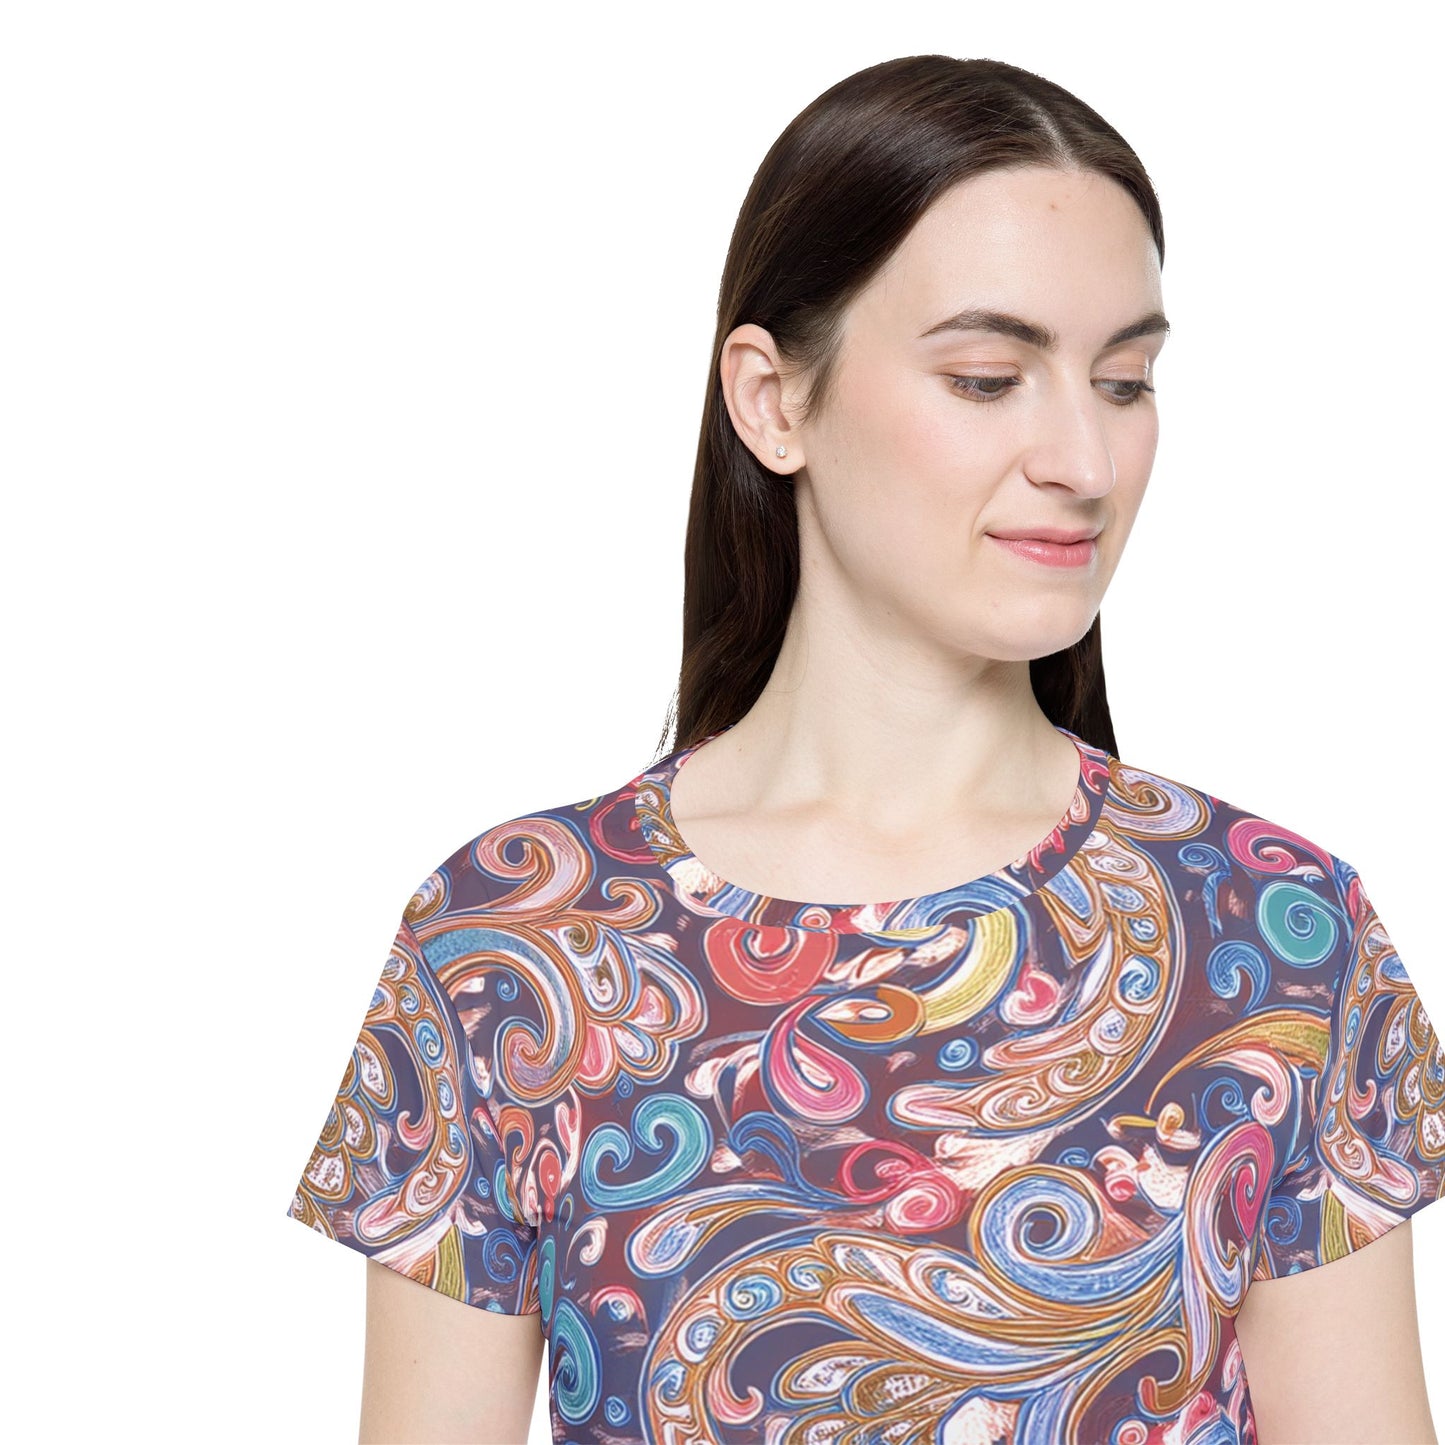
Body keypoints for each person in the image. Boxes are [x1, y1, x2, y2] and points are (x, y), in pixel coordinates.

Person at [282, 54, 1443, 1445]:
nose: (1083, 459)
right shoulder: (513, 946)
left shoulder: (1278, 933)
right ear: (773, 401)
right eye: (987, 378)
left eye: (1125, 381)